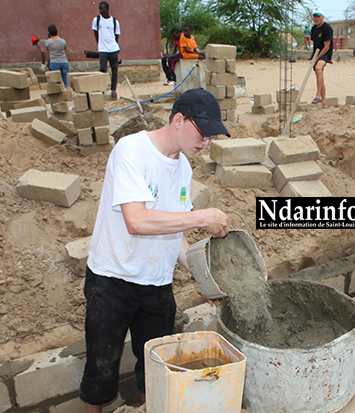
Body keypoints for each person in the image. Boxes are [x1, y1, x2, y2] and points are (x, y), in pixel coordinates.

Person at [79, 88, 230, 413]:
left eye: (210, 137)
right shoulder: (131, 151)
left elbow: (173, 231)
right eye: (203, 134)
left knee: (156, 366)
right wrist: (203, 216)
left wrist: (204, 278)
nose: (205, 144)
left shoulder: (184, 170)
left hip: (157, 284)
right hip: (112, 280)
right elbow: (136, 220)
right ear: (179, 120)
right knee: (101, 368)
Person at [93, 1, 120, 97]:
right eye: (99, 8)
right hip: (102, 49)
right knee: (102, 69)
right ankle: (102, 89)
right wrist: (100, 44)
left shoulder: (114, 22)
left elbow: (116, 36)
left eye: (102, 8)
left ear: (107, 9)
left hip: (113, 49)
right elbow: (96, 33)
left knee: (114, 70)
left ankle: (113, 89)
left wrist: (114, 46)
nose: (100, 10)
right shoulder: (96, 20)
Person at [310, 7, 333, 108]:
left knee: (319, 68)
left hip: (325, 53)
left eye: (318, 16)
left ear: (322, 17)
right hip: (316, 54)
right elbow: (314, 43)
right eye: (315, 16)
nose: (316, 18)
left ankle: (318, 95)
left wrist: (317, 58)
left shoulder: (327, 28)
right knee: (319, 75)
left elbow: (327, 46)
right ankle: (324, 102)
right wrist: (313, 58)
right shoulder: (313, 29)